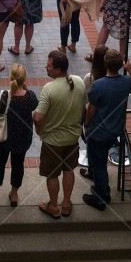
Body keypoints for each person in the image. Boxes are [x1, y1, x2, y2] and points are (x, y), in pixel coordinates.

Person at [33, 49, 87, 218]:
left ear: (58, 69)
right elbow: (84, 107)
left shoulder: (48, 89)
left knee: (52, 174)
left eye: (49, 66)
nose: (46, 67)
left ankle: (53, 206)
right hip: (73, 138)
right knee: (69, 170)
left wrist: (38, 128)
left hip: (52, 142)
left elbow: (38, 117)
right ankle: (66, 204)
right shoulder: (79, 81)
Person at [83, 49, 131, 209]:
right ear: (121, 65)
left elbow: (91, 109)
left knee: (99, 164)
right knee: (100, 162)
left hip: (98, 132)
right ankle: (101, 188)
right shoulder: (127, 82)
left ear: (105, 64)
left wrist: (87, 125)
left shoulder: (98, 85)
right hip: (116, 130)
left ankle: (101, 197)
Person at [0, 62, 37, 209]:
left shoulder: (4, 96)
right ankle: (14, 194)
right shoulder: (30, 96)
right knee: (18, 164)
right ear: (24, 79)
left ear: (10, 78)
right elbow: (35, 105)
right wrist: (25, 87)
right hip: (23, 138)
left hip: (4, 137)